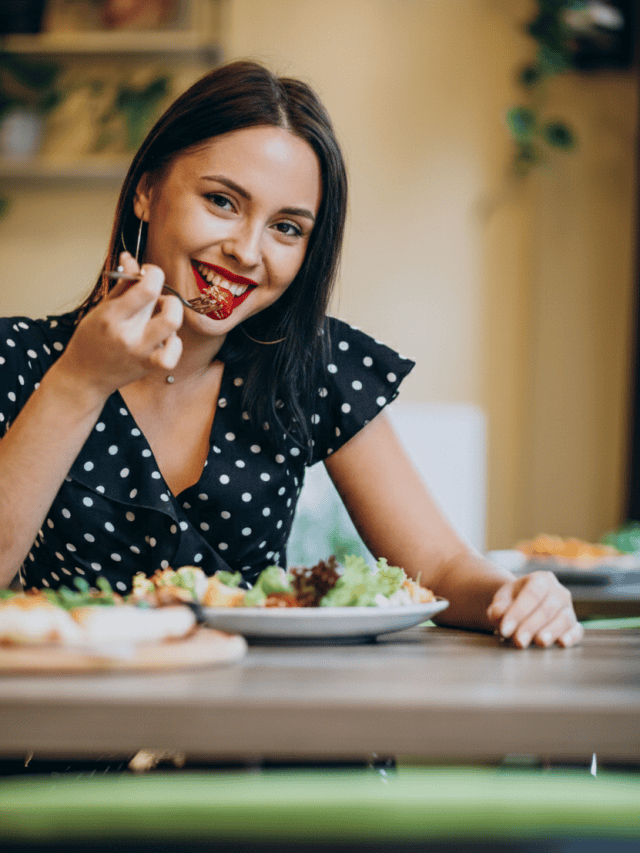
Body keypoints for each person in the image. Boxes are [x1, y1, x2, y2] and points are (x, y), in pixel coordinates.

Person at [0, 60, 582, 649]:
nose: (246, 251)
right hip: (75, 717)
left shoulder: (312, 364)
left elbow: (437, 564)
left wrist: (515, 594)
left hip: (260, 725)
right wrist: (79, 381)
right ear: (147, 192)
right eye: (222, 202)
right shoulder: (21, 359)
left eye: (286, 228)